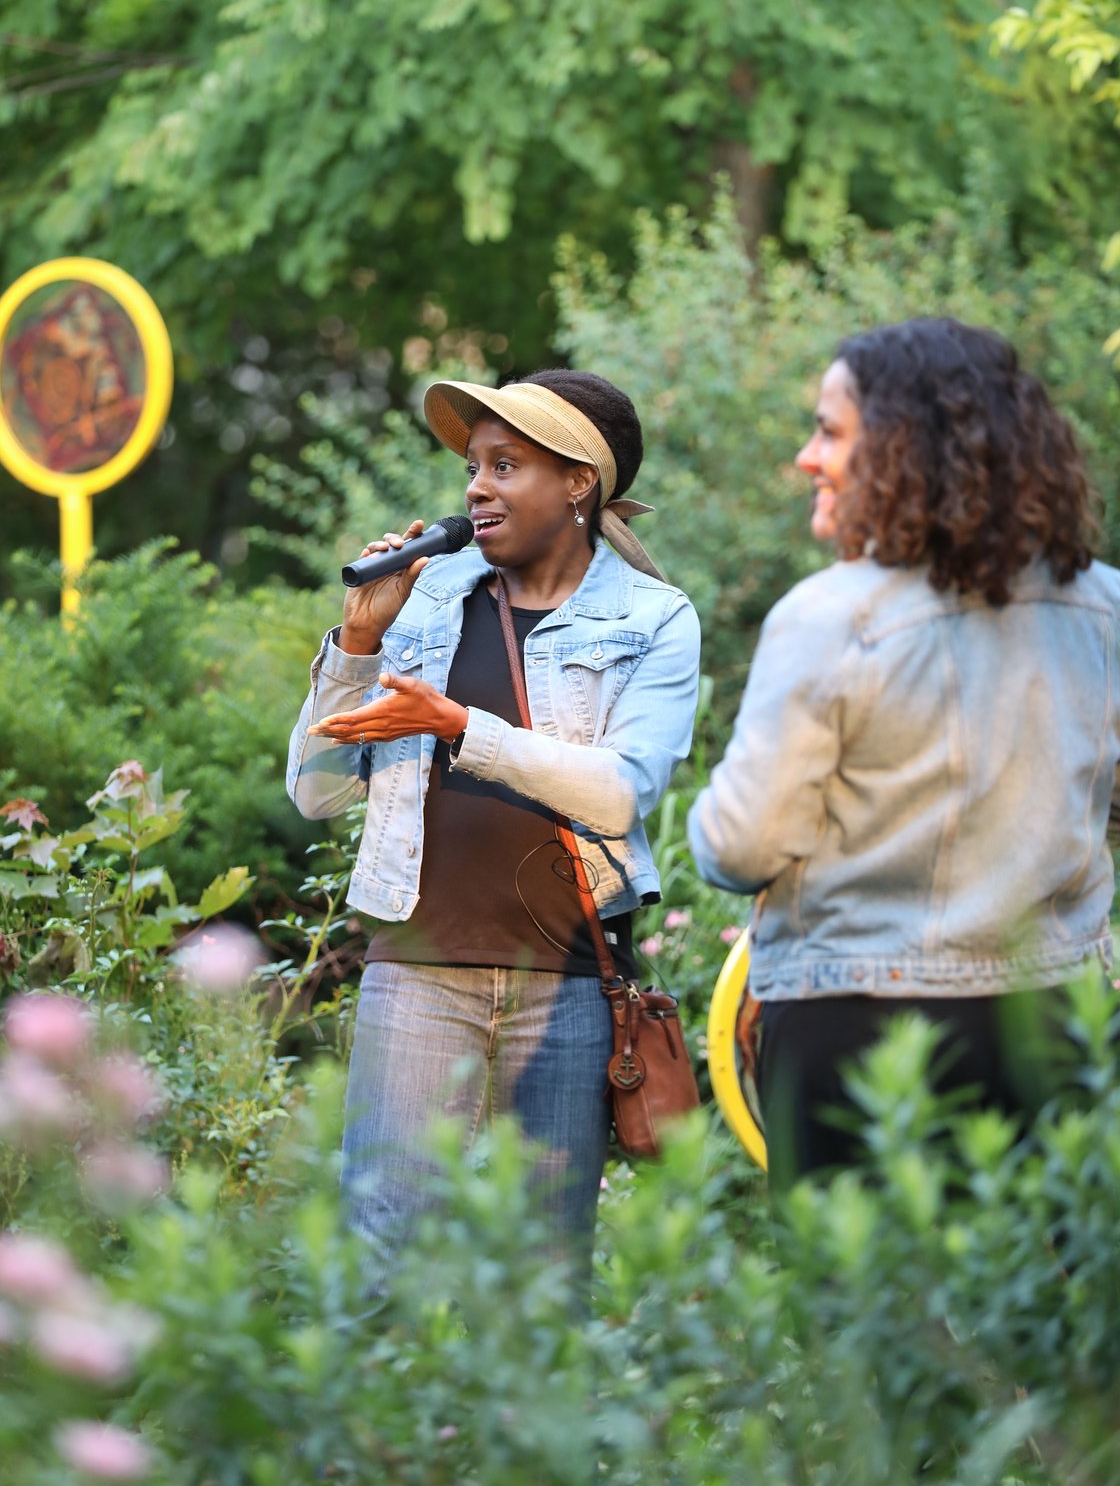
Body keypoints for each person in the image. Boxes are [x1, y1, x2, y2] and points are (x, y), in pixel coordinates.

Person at [287, 370, 700, 1285]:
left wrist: (460, 729)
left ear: (578, 484)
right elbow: (318, 796)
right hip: (417, 972)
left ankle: (518, 1435)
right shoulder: (426, 599)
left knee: (540, 1274)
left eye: (506, 465)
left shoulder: (653, 620)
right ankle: (382, 1436)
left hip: (567, 990)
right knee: (381, 1252)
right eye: (474, 465)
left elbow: (622, 794)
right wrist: (356, 646)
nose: (475, 486)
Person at [688, 316, 1120, 1190]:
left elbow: (738, 847)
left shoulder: (829, 617)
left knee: (865, 1316)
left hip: (862, 1025)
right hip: (1060, 1019)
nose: (808, 457)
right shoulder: (1106, 609)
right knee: (1045, 1308)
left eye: (830, 431)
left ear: (903, 449)